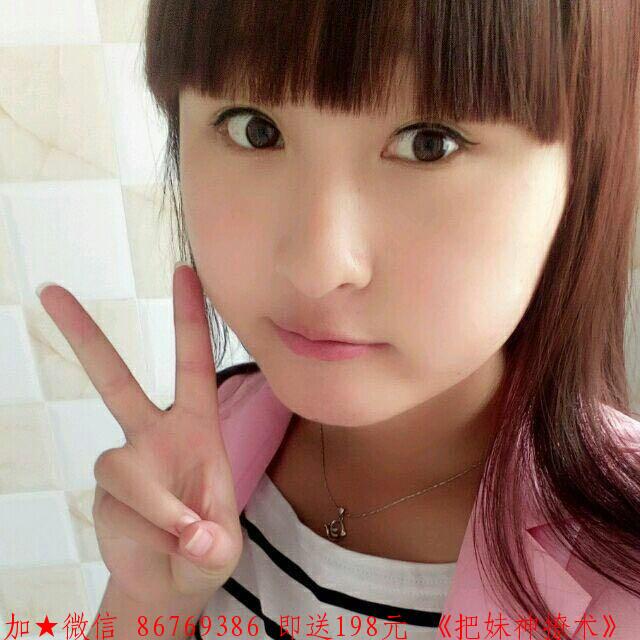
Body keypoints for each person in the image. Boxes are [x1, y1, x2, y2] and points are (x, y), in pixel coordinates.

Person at [36, 1, 640, 639]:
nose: (318, 268)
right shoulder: (199, 457)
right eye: (255, 129)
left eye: (428, 144)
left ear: (583, 171)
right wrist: (147, 605)